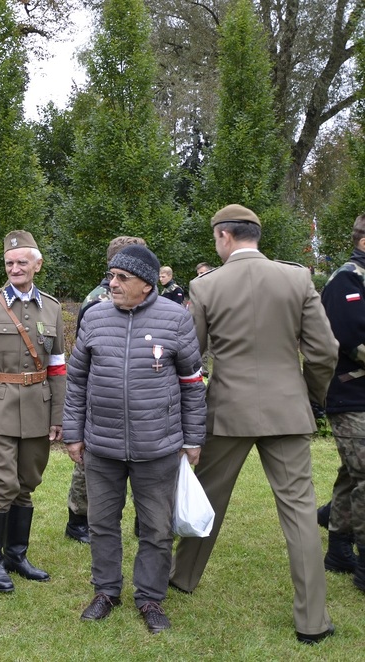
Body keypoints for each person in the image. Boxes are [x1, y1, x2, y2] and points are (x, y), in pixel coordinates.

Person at [170, 204, 339, 645]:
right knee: (300, 513)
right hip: (287, 409)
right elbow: (324, 351)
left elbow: (192, 358)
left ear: (224, 236)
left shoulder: (206, 286)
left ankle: (182, 576)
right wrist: (309, 395)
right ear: (255, 235)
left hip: (228, 410)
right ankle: (313, 621)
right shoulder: (297, 278)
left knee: (207, 498)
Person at [64, 245, 206, 633]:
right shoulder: (93, 318)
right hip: (101, 446)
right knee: (102, 523)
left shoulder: (176, 319)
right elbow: (76, 381)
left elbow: (193, 385)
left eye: (121, 278)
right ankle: (106, 591)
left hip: (158, 447)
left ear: (146, 284)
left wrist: (193, 439)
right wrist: (73, 434)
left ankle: (150, 598)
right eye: (111, 276)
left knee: (156, 529)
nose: (112, 284)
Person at [0, 230, 66, 593]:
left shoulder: (51, 308)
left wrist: (58, 417)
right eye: (9, 262)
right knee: (3, 486)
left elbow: (57, 367)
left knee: (26, 486)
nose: (15, 267)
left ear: (37, 264)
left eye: (22, 262)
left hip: (38, 408)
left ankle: (16, 556)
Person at [66, 236, 148, 544]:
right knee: (90, 461)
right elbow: (84, 354)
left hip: (138, 393)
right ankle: (79, 519)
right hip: (100, 392)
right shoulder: (98, 300)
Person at [319, 213, 365, 590]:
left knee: (353, 473)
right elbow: (347, 336)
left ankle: (337, 547)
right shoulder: (346, 279)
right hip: (352, 394)